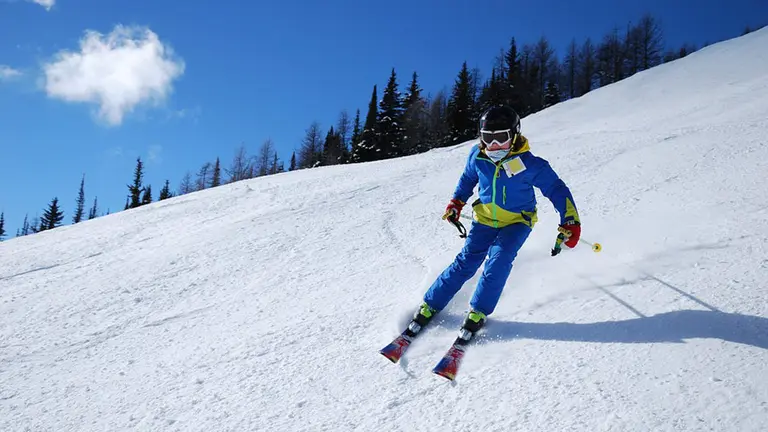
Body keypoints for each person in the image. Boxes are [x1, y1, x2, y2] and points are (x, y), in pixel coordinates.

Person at [409, 104, 582, 340]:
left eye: (500, 138)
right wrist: (456, 202)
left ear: (514, 134)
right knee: (466, 262)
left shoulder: (531, 163)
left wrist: (570, 220)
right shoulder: (477, 156)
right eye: (487, 138)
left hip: (517, 222)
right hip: (484, 220)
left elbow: (556, 188)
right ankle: (430, 304)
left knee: (498, 262)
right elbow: (468, 178)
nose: (493, 146)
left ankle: (478, 312)